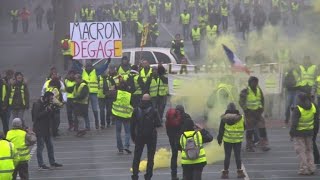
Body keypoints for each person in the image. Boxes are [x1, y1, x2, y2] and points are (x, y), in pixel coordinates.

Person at [73, 59, 111, 129]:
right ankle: (88, 126)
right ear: (85, 66)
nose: (89, 67)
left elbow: (103, 68)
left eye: (90, 66)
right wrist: (74, 61)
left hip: (93, 93)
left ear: (91, 66)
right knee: (85, 109)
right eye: (87, 66)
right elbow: (76, 67)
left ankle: (96, 122)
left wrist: (108, 62)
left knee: (94, 109)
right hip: (85, 93)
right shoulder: (83, 72)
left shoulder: (95, 72)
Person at [131, 94, 161, 180]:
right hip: (151, 137)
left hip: (139, 136)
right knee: (150, 158)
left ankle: (135, 175)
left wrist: (133, 137)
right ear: (150, 100)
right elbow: (158, 124)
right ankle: (148, 175)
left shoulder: (136, 110)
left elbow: (132, 126)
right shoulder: (154, 110)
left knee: (136, 157)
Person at [32, 92, 63, 170]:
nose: (52, 100)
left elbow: (50, 116)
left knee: (50, 147)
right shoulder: (38, 104)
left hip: (46, 129)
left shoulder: (47, 104)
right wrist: (47, 111)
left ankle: (52, 162)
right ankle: (40, 164)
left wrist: (53, 110)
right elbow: (36, 116)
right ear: (46, 98)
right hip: (39, 129)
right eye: (51, 98)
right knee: (40, 147)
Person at [290, 92, 318, 175]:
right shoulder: (313, 106)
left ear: (299, 99)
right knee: (309, 150)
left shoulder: (298, 109)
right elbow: (316, 120)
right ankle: (311, 167)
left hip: (299, 133)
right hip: (309, 132)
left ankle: (304, 169)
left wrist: (291, 133)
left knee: (301, 151)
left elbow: (294, 123)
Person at [239, 76, 270, 152]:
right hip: (249, 113)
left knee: (262, 128)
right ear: (250, 83)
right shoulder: (245, 91)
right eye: (254, 82)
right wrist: (246, 110)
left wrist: (261, 108)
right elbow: (241, 102)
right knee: (250, 130)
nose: (255, 84)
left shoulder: (259, 90)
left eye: (256, 82)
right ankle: (249, 146)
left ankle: (263, 145)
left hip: (258, 113)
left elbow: (262, 100)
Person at [179, 113, 213, 180]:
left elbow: (178, 147)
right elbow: (210, 138)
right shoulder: (198, 135)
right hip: (199, 161)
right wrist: (202, 129)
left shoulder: (182, 136)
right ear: (193, 126)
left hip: (186, 162)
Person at [217, 103, 246, 179]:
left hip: (228, 140)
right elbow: (245, 127)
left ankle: (225, 173)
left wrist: (219, 139)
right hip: (238, 140)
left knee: (227, 156)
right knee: (237, 156)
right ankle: (240, 172)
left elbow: (221, 130)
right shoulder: (241, 118)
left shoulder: (224, 118)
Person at [112, 81, 134, 154]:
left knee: (118, 132)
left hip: (118, 115)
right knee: (127, 132)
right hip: (126, 116)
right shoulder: (129, 95)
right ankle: (126, 146)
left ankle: (120, 148)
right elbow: (133, 104)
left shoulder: (116, 93)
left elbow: (108, 96)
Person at [165, 106, 184, 180]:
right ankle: (185, 175)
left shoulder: (168, 121)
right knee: (185, 156)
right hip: (181, 139)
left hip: (172, 139)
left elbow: (167, 131)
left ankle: (173, 175)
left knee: (174, 156)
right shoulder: (182, 119)